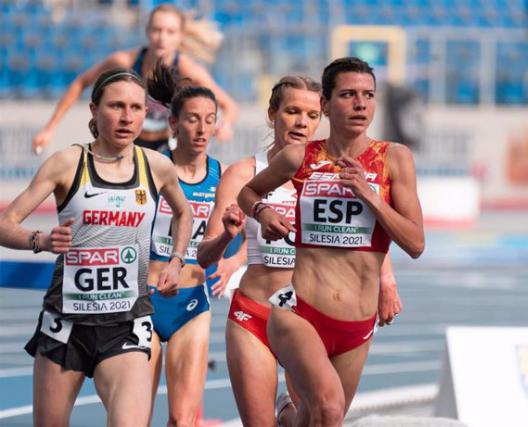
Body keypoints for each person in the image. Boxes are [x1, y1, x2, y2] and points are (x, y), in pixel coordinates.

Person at [198, 74, 404, 427]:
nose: (301, 123)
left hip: (311, 316)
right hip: (256, 314)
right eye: (292, 112)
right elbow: (204, 255)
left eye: (311, 115)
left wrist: (387, 280)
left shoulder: (335, 168)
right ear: (272, 114)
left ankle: (288, 417)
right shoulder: (244, 173)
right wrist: (227, 238)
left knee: (319, 416)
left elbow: (360, 234)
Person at [0, 68, 192, 427]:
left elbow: (184, 213)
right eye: (116, 106)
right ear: (93, 110)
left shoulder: (156, 166)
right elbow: (4, 225)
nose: (127, 117)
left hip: (127, 324)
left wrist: (176, 260)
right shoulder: (67, 163)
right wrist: (39, 240)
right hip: (65, 326)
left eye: (136, 107)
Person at [144, 63, 243, 426]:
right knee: (132, 417)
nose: (203, 129)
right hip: (145, 299)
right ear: (173, 124)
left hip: (192, 303)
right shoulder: (151, 168)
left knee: (183, 420)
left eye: (210, 119)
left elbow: (254, 231)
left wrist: (235, 260)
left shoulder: (222, 175)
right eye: (192, 119)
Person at [32, 3, 238, 154]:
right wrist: (49, 129)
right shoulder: (126, 61)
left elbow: (230, 106)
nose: (162, 38)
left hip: (166, 147)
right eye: (157, 30)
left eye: (169, 32)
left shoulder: (188, 70)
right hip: (128, 142)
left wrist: (225, 125)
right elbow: (80, 83)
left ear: (180, 36)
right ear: (147, 31)